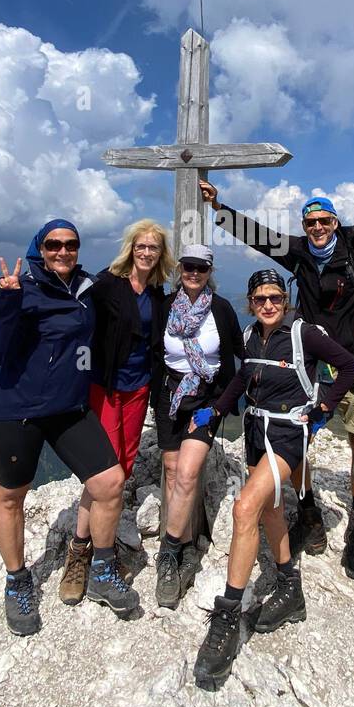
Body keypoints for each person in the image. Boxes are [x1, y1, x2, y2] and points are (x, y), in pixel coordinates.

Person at [200, 179, 354, 578]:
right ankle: (309, 512)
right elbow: (259, 237)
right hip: (309, 364)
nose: (316, 228)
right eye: (310, 222)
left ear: (335, 222)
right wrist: (218, 208)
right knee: (299, 439)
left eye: (324, 221)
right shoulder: (298, 253)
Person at [189, 270, 354, 690]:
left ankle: (226, 618)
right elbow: (242, 379)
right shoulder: (250, 337)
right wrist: (216, 410)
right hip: (254, 431)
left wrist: (324, 407)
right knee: (269, 509)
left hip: (287, 433)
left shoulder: (305, 334)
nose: (268, 304)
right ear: (250, 301)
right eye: (261, 298)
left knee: (245, 506)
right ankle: (289, 588)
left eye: (275, 297)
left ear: (286, 299)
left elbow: (350, 365)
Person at [0, 219, 139, 636]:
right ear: (40, 247)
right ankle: (17, 582)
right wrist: (4, 299)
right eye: (54, 244)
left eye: (71, 244)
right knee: (13, 496)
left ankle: (102, 571)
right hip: (17, 410)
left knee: (109, 483)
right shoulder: (23, 287)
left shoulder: (87, 288)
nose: (63, 251)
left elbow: (124, 287)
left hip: (68, 408)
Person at [57, 220, 174, 605]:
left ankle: (99, 547)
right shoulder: (109, 283)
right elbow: (73, 296)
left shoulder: (158, 294)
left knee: (121, 470)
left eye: (153, 248)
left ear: (160, 254)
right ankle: (80, 551)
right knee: (102, 473)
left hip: (138, 390)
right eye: (141, 246)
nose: (146, 252)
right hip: (105, 389)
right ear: (130, 248)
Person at [150, 244, 244, 608]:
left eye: (200, 268)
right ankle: (186, 543)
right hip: (170, 398)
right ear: (179, 269)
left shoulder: (219, 309)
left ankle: (168, 554)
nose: (193, 273)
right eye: (188, 266)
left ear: (209, 271)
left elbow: (241, 351)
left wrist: (221, 407)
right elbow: (154, 352)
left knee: (187, 473)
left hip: (206, 402)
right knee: (173, 472)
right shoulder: (164, 307)